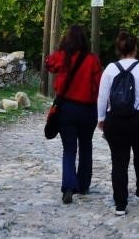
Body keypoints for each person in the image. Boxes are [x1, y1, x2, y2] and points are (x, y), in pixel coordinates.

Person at [96, 30, 139, 216]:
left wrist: (101, 118)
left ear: (118, 49)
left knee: (119, 161)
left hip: (115, 121)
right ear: (135, 48)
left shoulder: (110, 69)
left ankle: (120, 204)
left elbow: (102, 96)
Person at [44, 24, 103, 204]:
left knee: (69, 150)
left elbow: (48, 63)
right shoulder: (92, 60)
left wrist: (61, 51)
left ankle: (68, 186)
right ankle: (83, 185)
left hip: (66, 109)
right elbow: (99, 86)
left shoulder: (62, 57)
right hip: (88, 109)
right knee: (86, 146)